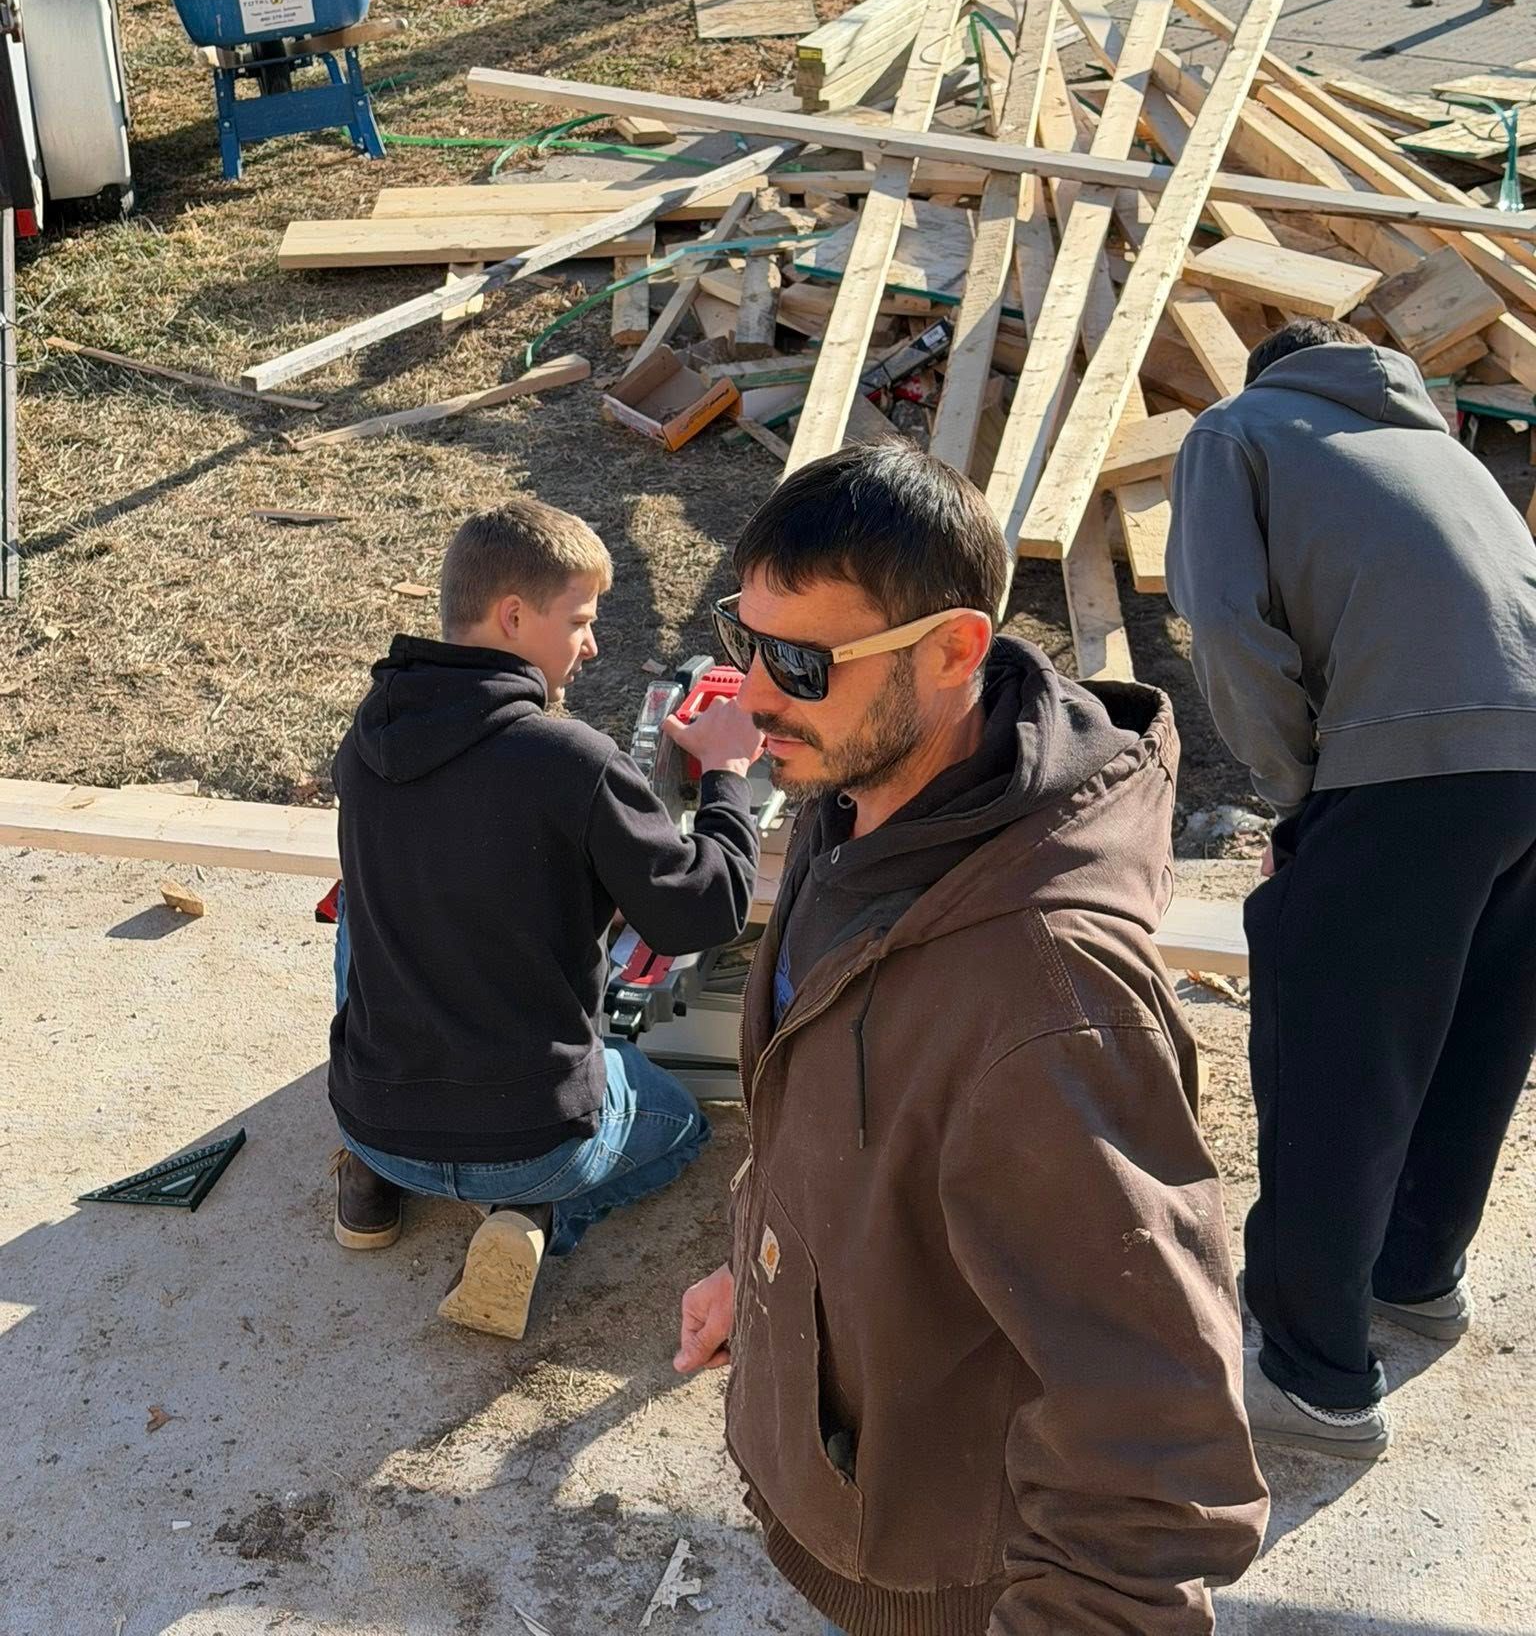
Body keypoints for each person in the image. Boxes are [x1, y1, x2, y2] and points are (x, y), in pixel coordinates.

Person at [673, 443, 1267, 1636]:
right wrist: (770, 1256)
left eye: (798, 661)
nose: (750, 697)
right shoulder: (863, 796)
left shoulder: (1046, 999)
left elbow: (1154, 1454)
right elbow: (855, 1103)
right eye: (742, 642)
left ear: (954, 650)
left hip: (957, 1573)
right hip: (864, 1467)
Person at [1167, 317, 1536, 1461]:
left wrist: (1300, 792)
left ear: (1270, 373)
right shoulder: (1448, 452)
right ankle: (1416, 1272)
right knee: (1478, 1028)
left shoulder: (1240, 429)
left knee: (1336, 1053)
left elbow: (1225, 622)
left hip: (1404, 762)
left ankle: (1316, 1373)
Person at [328, 497, 763, 1340]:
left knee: (358, 913)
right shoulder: (571, 759)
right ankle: (535, 1221)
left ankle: (374, 1186)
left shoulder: (366, 739)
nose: (592, 643)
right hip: (535, 1141)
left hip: (376, 1120)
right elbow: (702, 910)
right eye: (582, 620)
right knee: (679, 1128)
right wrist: (727, 771)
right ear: (515, 615)